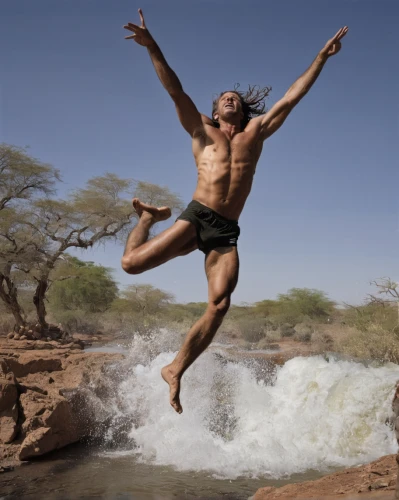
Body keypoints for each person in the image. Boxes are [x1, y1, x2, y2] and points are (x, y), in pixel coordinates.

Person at [122, 9, 348, 413]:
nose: (230, 99)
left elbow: (291, 97)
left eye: (236, 98)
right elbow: (175, 90)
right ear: (215, 108)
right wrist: (152, 46)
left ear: (243, 110)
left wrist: (321, 58)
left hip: (226, 230)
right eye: (224, 97)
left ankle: (175, 368)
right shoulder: (200, 130)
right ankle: (147, 219)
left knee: (221, 303)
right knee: (130, 266)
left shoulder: (255, 133)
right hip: (198, 216)